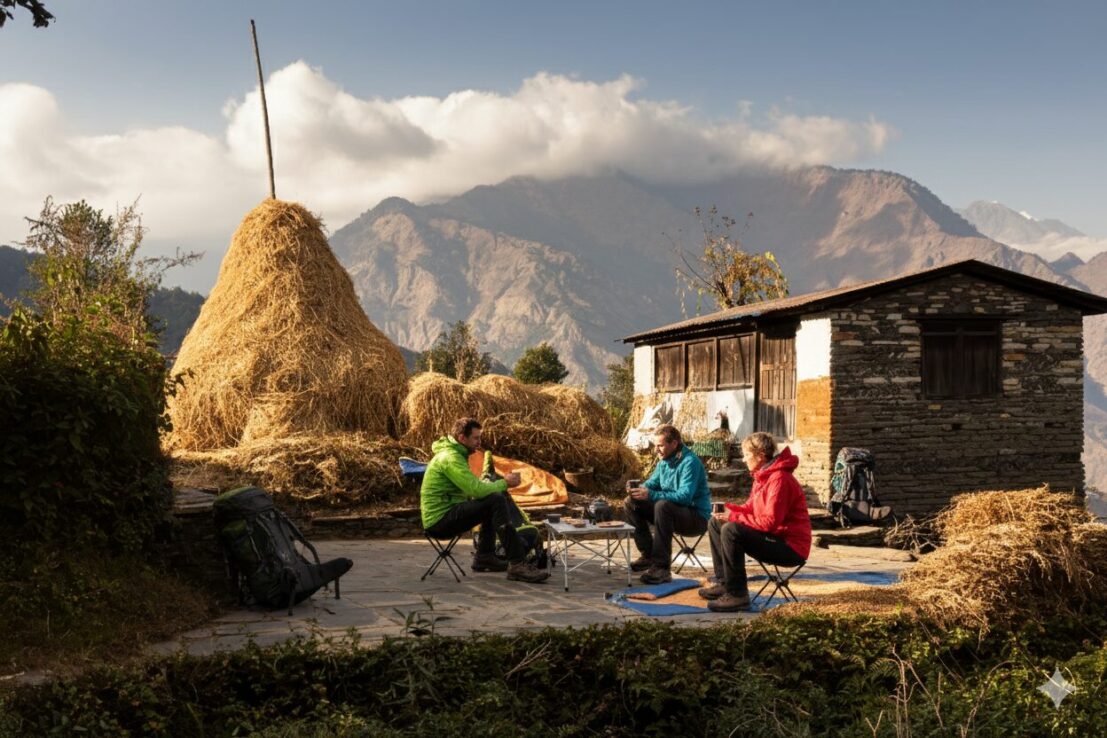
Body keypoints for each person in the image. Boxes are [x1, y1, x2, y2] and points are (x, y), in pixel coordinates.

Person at [420, 417, 549, 583]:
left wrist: (494, 485)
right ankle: (518, 564)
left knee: (492, 500)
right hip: (439, 522)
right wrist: (504, 483)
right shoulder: (450, 458)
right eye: (476, 438)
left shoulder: (456, 454)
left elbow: (474, 489)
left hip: (447, 514)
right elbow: (476, 490)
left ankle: (484, 556)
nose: (479, 442)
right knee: (495, 500)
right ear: (462, 438)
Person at [700, 432, 812, 612]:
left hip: (790, 547)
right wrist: (727, 509)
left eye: (746, 455)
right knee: (716, 523)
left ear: (760, 456)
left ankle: (738, 596)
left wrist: (733, 517)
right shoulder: (762, 476)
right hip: (773, 537)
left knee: (731, 529)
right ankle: (725, 583)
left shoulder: (780, 480)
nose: (744, 460)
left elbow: (770, 523)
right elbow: (750, 508)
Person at [624, 424, 711, 584]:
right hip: (671, 513)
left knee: (662, 505)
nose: (656, 450)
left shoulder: (690, 462)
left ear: (674, 444)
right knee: (631, 502)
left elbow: (685, 497)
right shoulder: (663, 462)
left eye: (660, 445)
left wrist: (651, 494)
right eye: (655, 445)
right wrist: (638, 489)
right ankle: (648, 555)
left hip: (696, 518)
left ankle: (662, 569)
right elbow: (651, 484)